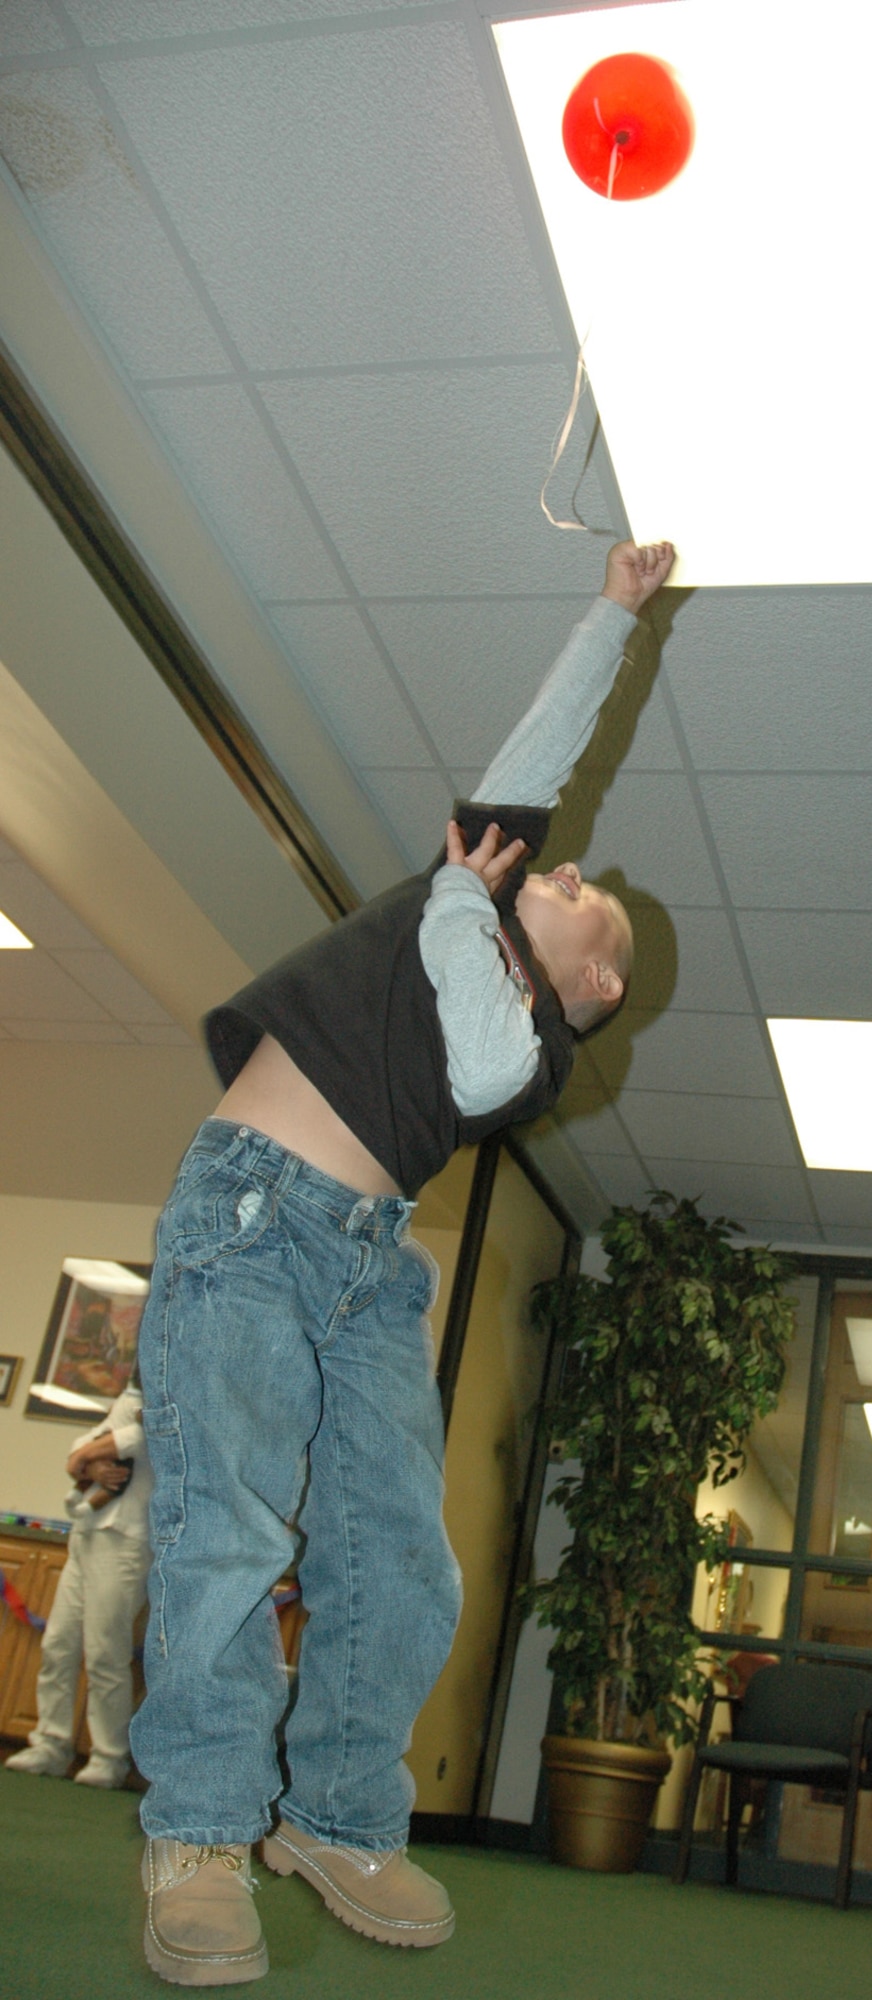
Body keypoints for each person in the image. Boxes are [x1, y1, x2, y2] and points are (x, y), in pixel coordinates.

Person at [131, 537, 675, 1986]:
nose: (561, 866)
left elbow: (486, 1049)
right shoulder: (480, 879)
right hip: (249, 1217)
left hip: (370, 1264)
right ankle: (196, 1829)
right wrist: (612, 616)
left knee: (403, 1560)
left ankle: (339, 1817)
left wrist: (456, 904)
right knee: (230, 1530)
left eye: (583, 899)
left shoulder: (534, 1039)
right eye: (541, 865)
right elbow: (539, 743)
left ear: (596, 983)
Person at [5, 1383, 151, 1789]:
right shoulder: (132, 1393)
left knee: (107, 1651)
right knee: (58, 1644)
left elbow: (148, 1436)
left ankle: (109, 1758)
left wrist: (90, 1454)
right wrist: (89, 1461)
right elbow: (85, 1447)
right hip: (88, 1532)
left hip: (128, 1539)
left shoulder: (182, 1386)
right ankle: (51, 1745)